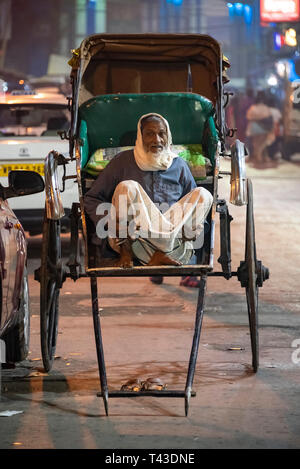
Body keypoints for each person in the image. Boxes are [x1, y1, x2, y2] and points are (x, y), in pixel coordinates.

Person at [84, 113, 213, 270]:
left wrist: (195, 227)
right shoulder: (122, 161)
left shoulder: (178, 165)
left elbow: (193, 209)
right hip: (136, 241)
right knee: (127, 187)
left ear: (168, 136)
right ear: (140, 137)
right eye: (150, 134)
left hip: (173, 239)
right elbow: (91, 198)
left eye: (161, 134)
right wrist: (111, 223)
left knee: (203, 194)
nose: (157, 140)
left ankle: (162, 254)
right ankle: (134, 253)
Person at [246, 91, 275, 167]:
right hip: (263, 128)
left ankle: (259, 157)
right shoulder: (266, 108)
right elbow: (268, 117)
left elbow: (248, 117)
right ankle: (259, 157)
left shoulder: (253, 108)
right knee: (262, 144)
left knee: (256, 143)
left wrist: (256, 118)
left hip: (254, 128)